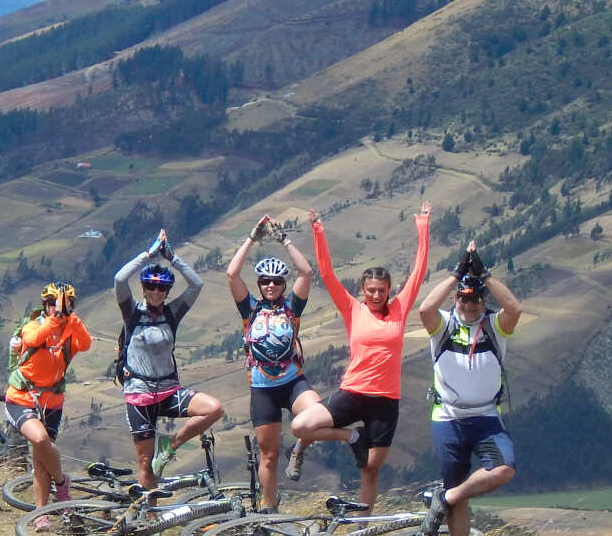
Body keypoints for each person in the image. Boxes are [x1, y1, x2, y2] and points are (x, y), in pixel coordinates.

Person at [290, 203, 430, 507]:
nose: (377, 296)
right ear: (362, 290)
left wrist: (423, 225)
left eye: (381, 290)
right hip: (353, 392)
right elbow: (325, 274)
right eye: (371, 290)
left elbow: (419, 270)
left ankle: (361, 532)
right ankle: (349, 437)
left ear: (389, 290)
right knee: (300, 426)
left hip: (386, 401)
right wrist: (317, 228)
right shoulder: (353, 308)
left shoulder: (400, 309)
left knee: (370, 469)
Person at [416, 243, 521, 536]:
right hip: (447, 418)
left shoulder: (494, 326)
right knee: (457, 487)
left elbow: (514, 308)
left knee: (502, 469)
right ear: (456, 300)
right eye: (463, 299)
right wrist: (455, 273)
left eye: (475, 300)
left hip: (486, 418)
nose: (469, 305)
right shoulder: (443, 325)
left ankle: (443, 500)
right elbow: (425, 307)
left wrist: (485, 275)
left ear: (483, 302)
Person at [114, 228, 223, 488]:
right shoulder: (131, 312)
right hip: (138, 393)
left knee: (213, 409)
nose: (155, 291)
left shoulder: (173, 313)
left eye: (161, 287)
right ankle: (150, 520)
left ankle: (170, 445)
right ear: (142, 288)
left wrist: (173, 259)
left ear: (167, 290)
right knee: (145, 462)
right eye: (150, 286)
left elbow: (197, 284)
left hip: (168, 390)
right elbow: (119, 280)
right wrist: (149, 255)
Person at [226, 213, 319, 511]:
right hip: (262, 386)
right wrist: (252, 238)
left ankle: (300, 448)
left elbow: (306, 273)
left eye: (276, 281)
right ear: (259, 283)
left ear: (282, 283)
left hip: (292, 380)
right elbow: (231, 274)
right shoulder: (249, 308)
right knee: (268, 456)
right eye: (264, 281)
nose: (270, 285)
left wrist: (284, 240)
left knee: (317, 414)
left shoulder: (292, 307)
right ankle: (270, 510)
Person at [4, 282, 92, 513]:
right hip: (22, 397)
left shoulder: (69, 329)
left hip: (52, 401)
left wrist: (71, 319)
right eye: (52, 303)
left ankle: (41, 513)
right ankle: (62, 483)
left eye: (63, 303)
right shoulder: (32, 324)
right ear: (45, 305)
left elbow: (85, 344)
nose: (57, 307)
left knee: (40, 461)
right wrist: (55, 320)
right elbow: (33, 340)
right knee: (41, 441)